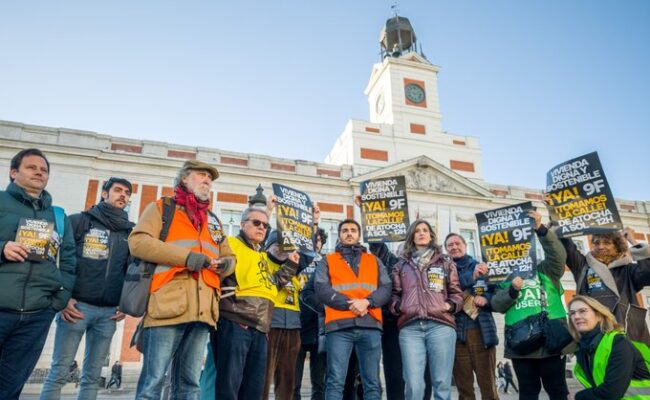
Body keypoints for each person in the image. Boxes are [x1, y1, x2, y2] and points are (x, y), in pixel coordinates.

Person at [129, 160, 235, 399]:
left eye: (210, 178)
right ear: (184, 179)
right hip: (167, 305)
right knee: (152, 383)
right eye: (201, 175)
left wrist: (227, 265)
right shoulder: (162, 208)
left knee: (190, 384)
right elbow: (138, 242)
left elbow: (229, 256)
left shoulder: (214, 220)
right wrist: (188, 258)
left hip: (203, 311)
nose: (207, 180)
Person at [41, 177, 134, 400]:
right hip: (76, 307)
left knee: (92, 377)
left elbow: (132, 271)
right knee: (59, 372)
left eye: (127, 193)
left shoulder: (130, 234)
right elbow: (53, 258)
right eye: (118, 190)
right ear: (104, 194)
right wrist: (63, 297)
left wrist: (126, 303)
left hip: (109, 313)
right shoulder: (79, 221)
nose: (123, 195)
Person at [0, 148, 77, 400]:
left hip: (36, 316)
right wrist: (2, 248)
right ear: (14, 173)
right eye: (32, 167)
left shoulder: (58, 216)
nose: (39, 172)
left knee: (11, 388)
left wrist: (58, 300)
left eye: (43, 170)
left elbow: (68, 260)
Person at [212, 196, 299, 400]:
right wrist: (267, 209)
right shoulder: (231, 243)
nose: (262, 227)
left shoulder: (260, 256)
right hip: (235, 322)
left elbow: (272, 285)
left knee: (254, 389)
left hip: (261, 327)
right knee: (229, 387)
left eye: (265, 225)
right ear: (242, 225)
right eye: (256, 223)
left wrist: (291, 265)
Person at [491, 211, 570, 400]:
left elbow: (558, 256)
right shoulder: (503, 278)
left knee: (558, 390)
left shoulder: (547, 270)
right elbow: (496, 304)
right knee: (527, 392)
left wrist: (540, 229)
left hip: (551, 340)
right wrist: (512, 290)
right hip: (521, 344)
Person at [315, 218, 392, 400]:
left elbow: (386, 288)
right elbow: (321, 288)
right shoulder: (328, 260)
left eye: (353, 230)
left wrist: (367, 302)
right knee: (335, 382)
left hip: (370, 325)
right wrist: (353, 304)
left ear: (358, 235)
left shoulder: (374, 260)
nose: (349, 233)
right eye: (345, 230)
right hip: (338, 327)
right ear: (340, 235)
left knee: (371, 382)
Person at [385, 219, 463, 400]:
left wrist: (449, 305)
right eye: (417, 231)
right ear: (412, 236)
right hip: (410, 328)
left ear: (431, 235)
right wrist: (398, 306)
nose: (421, 233)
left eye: (425, 230)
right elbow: (394, 294)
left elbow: (456, 293)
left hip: (441, 326)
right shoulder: (400, 265)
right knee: (413, 383)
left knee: (442, 383)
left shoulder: (445, 262)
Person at [561, 227, 650, 344]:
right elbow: (568, 248)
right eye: (597, 243)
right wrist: (560, 222)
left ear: (617, 245)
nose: (601, 246)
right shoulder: (583, 266)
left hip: (626, 327)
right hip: (594, 330)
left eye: (607, 243)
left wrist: (632, 241)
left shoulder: (628, 269)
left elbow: (647, 273)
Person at [444, 233, 499, 400]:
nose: (454, 247)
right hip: (455, 334)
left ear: (465, 245)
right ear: (446, 250)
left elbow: (497, 293)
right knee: (464, 388)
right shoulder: (443, 271)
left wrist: (487, 299)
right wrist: (471, 277)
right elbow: (445, 290)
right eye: (450, 245)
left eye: (457, 243)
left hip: (481, 331)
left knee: (488, 387)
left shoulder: (482, 267)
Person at [568, 295, 650, 399]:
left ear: (598, 315)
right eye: (572, 313)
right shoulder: (585, 348)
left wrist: (578, 397)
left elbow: (611, 391)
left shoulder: (618, 343)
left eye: (582, 311)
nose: (576, 316)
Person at [262, 226, 309, 400]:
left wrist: (314, 224)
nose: (281, 251)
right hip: (270, 326)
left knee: (287, 380)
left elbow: (309, 253)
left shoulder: (295, 267)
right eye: (277, 246)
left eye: (285, 247)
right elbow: (273, 285)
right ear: (269, 246)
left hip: (293, 328)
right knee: (263, 379)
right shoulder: (264, 263)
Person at [294, 226, 328, 400]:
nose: (315, 242)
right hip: (297, 323)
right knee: (294, 381)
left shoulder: (328, 262)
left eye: (318, 239)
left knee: (320, 382)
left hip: (320, 326)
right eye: (311, 239)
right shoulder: (295, 259)